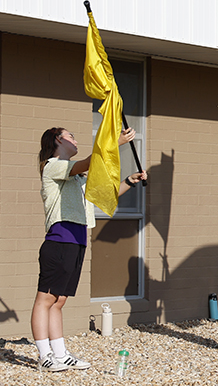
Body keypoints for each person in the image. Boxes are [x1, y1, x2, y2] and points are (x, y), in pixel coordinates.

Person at [34, 126, 147, 372]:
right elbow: (87, 162)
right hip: (59, 239)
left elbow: (106, 193)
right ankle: (45, 355)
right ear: (57, 140)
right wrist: (113, 143)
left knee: (59, 300)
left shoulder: (76, 177)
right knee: (46, 298)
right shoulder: (53, 166)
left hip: (77, 241)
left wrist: (130, 180)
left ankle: (61, 354)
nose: (75, 139)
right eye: (70, 136)